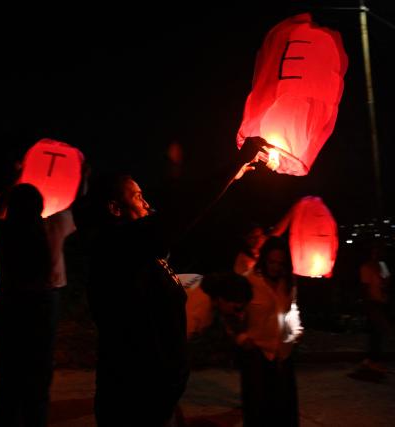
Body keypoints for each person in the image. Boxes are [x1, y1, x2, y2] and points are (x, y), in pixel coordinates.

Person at [78, 137, 262, 427]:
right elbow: (181, 212)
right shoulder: (117, 247)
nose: (147, 203)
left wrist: (232, 176)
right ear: (114, 208)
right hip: (133, 397)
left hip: (153, 393)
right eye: (138, 197)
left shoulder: (138, 251)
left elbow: (186, 219)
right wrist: (234, 164)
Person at [0, 183, 55, 427]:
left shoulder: (2, 232)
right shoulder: (40, 233)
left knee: (9, 377)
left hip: (7, 308)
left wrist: (9, 185)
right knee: (37, 380)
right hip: (37, 309)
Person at [233, 236, 303, 427]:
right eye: (272, 262)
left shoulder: (288, 282)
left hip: (283, 354)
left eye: (280, 263)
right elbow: (233, 315)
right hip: (256, 353)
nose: (275, 267)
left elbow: (292, 309)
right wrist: (241, 338)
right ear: (264, 259)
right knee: (258, 411)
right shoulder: (248, 281)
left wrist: (295, 331)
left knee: (283, 411)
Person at [181, 272, 253, 340]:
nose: (239, 314)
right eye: (237, 309)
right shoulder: (197, 312)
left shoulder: (205, 285)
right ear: (221, 299)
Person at [359, 241, 392, 373]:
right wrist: (367, 304)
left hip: (381, 301)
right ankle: (373, 360)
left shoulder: (382, 266)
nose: (378, 255)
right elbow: (365, 287)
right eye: (375, 252)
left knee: (378, 332)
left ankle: (372, 360)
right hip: (373, 302)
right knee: (376, 332)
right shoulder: (366, 267)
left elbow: (388, 281)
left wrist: (385, 289)